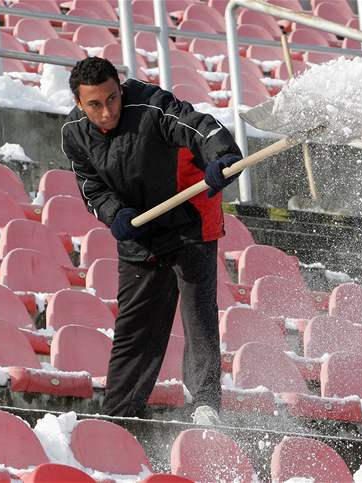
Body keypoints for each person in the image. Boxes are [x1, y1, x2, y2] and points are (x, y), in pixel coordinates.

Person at [61, 57, 242, 424]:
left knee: (197, 314)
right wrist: (115, 215)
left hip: (187, 219)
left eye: (113, 98)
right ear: (80, 104)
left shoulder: (151, 105)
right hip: (140, 233)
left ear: (120, 88)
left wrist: (221, 155)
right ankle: (121, 414)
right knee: (134, 326)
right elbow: (90, 187)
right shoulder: (74, 134)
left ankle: (205, 405)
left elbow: (198, 127)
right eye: (95, 104)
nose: (108, 111)